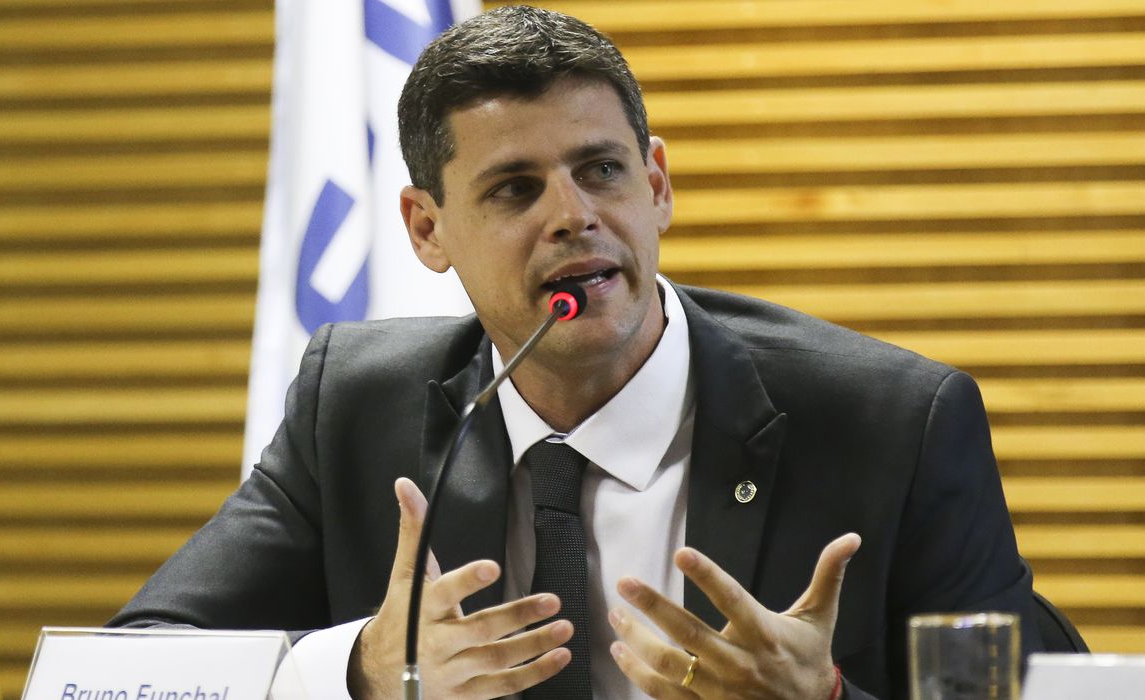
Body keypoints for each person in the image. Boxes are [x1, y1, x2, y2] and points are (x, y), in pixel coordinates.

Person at [111, 6, 1043, 699]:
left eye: (601, 170)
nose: (573, 215)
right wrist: (360, 669)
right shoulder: (357, 405)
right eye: (515, 189)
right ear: (427, 229)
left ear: (657, 184)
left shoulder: (893, 424)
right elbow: (118, 674)